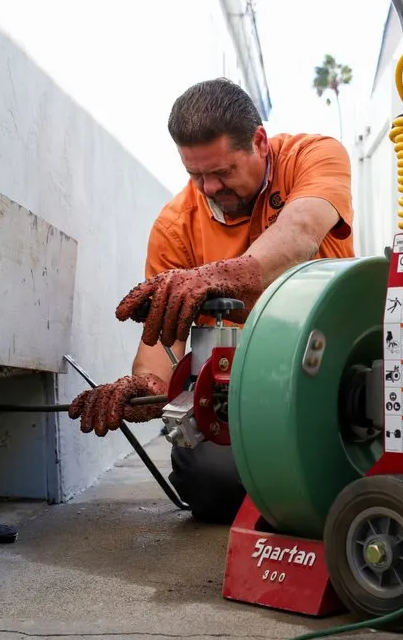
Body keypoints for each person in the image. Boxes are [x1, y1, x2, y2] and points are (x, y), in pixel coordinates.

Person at [68, 77, 356, 524]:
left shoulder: (312, 156)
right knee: (207, 482)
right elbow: (160, 353)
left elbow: (299, 233)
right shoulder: (174, 228)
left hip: (340, 366)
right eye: (195, 174)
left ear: (259, 141)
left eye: (222, 172)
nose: (209, 188)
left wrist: (219, 277)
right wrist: (145, 392)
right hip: (245, 399)